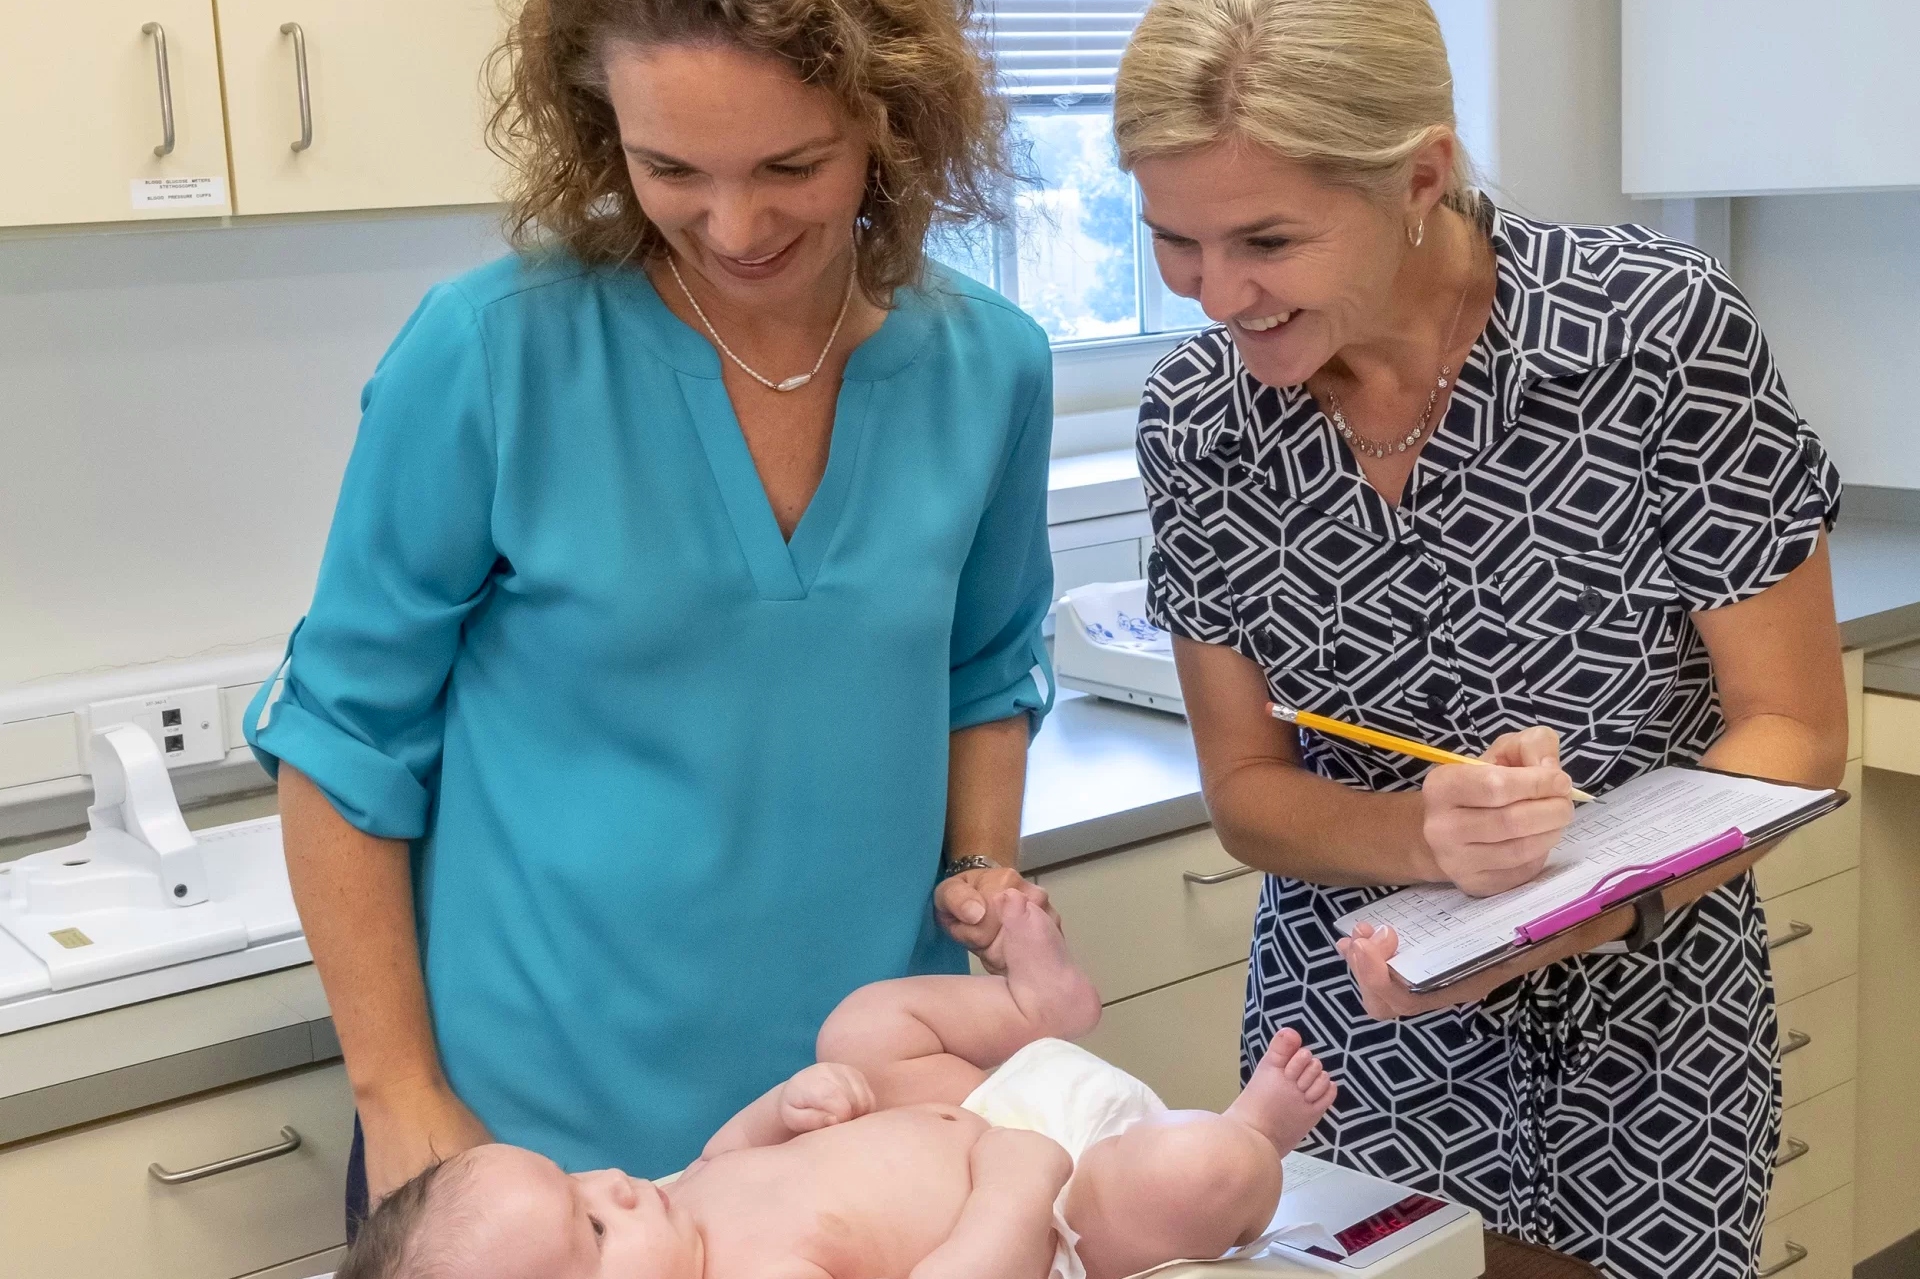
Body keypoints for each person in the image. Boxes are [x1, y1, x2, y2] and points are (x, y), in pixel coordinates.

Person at [243, 0, 1061, 1233]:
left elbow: (986, 670)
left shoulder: (989, 366)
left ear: (892, 124)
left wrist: (979, 873)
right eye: (670, 168)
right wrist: (401, 1095)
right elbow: (342, 742)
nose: (735, 225)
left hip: (860, 1141)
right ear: (599, 130)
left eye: (793, 166)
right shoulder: (493, 351)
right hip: (534, 1172)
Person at [1113, 2, 1847, 1276]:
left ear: (1422, 176)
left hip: (1651, 1033)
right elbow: (1244, 790)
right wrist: (1423, 840)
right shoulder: (1200, 426)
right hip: (1347, 1043)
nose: (1218, 294)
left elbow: (1792, 731)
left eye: (1268, 240)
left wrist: (1582, 910)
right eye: (1174, 240)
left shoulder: (1652, 336)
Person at [335, 893, 1338, 1279]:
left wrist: (786, 1108)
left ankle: (1038, 1004)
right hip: (1068, 1201)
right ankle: (1255, 1130)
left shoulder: (671, 1209)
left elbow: (732, 1152)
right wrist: (1018, 1185)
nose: (616, 1188)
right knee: (1193, 1172)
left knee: (857, 1026)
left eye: (573, 1177)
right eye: (591, 1234)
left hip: (979, 1099)